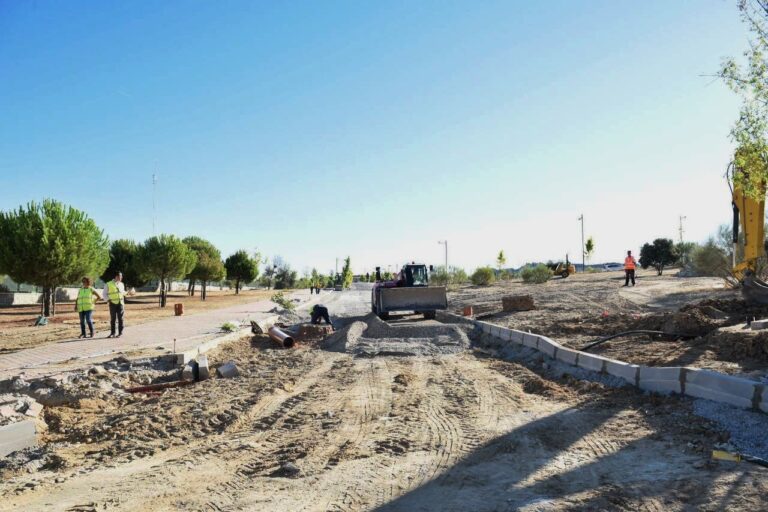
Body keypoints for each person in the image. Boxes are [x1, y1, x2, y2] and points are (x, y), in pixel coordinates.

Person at [103, 271, 127, 338]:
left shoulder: (121, 284)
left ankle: (120, 333)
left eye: (121, 276)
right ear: (116, 276)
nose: (121, 277)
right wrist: (108, 300)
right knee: (113, 319)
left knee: (120, 319)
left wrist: (128, 292)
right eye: (120, 276)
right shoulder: (108, 284)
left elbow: (122, 292)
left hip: (120, 303)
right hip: (112, 303)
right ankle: (112, 333)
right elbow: (104, 294)